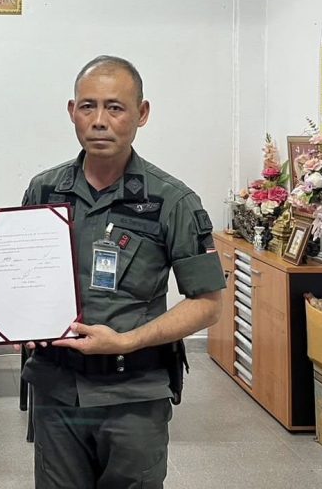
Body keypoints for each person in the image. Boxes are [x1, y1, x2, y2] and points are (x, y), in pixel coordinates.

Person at [21, 55, 226, 489]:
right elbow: (21, 277)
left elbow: (208, 305)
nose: (99, 120)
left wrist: (127, 341)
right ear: (72, 111)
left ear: (141, 113)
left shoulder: (172, 201)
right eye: (88, 106)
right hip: (57, 390)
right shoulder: (44, 190)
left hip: (133, 395)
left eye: (114, 107)